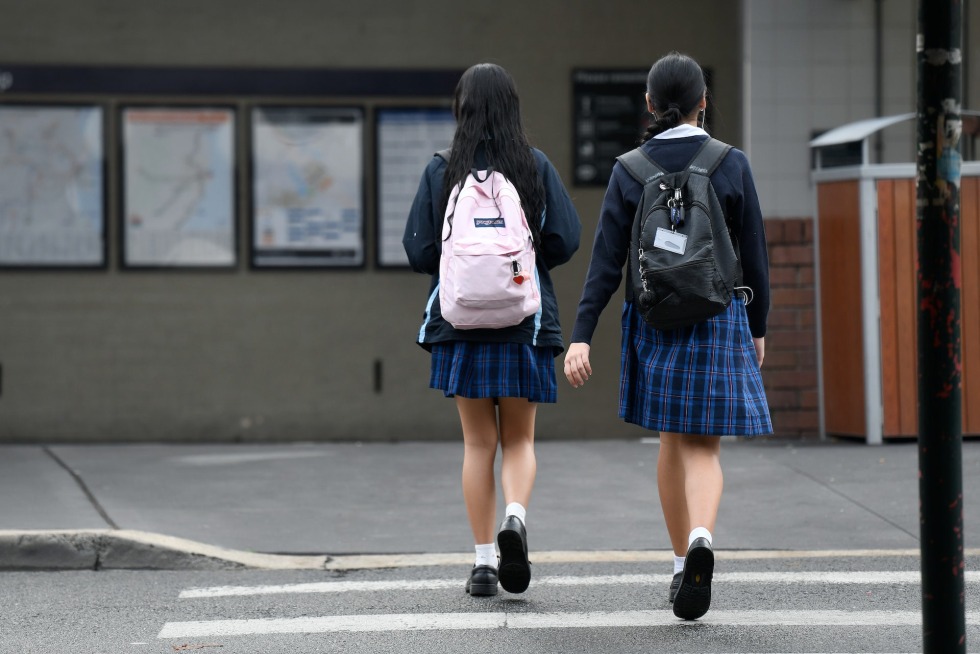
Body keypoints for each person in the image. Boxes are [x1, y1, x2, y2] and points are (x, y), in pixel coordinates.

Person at [563, 51, 772, 621]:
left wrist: (580, 335)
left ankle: (682, 562)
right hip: (717, 315)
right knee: (705, 448)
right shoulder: (731, 163)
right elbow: (754, 254)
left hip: (653, 321)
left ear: (650, 105)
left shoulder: (629, 169)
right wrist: (757, 329)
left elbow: (606, 262)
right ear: (704, 102)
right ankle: (704, 535)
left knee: (670, 443)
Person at [403, 63, 581, 597]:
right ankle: (516, 519)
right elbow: (566, 239)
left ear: (462, 107)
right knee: (519, 439)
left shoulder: (441, 170)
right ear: (511, 107)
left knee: (478, 444)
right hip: (524, 324)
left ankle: (483, 564)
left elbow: (417, 250)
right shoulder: (534, 166)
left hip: (459, 326)